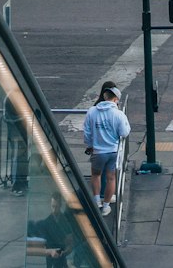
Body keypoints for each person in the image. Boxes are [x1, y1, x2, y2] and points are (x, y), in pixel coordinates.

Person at [82, 83, 130, 215]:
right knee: (111, 178)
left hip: (97, 151)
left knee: (96, 175)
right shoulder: (118, 114)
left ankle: (97, 200)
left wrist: (90, 145)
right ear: (116, 99)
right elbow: (124, 132)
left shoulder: (92, 111)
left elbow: (87, 132)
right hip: (113, 151)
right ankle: (106, 205)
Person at [27, 195, 76, 268]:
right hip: (51, 258)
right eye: (53, 206)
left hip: (61, 257)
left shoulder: (65, 222)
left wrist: (64, 252)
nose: (54, 209)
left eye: (56, 207)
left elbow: (70, 243)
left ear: (60, 206)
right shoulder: (46, 223)